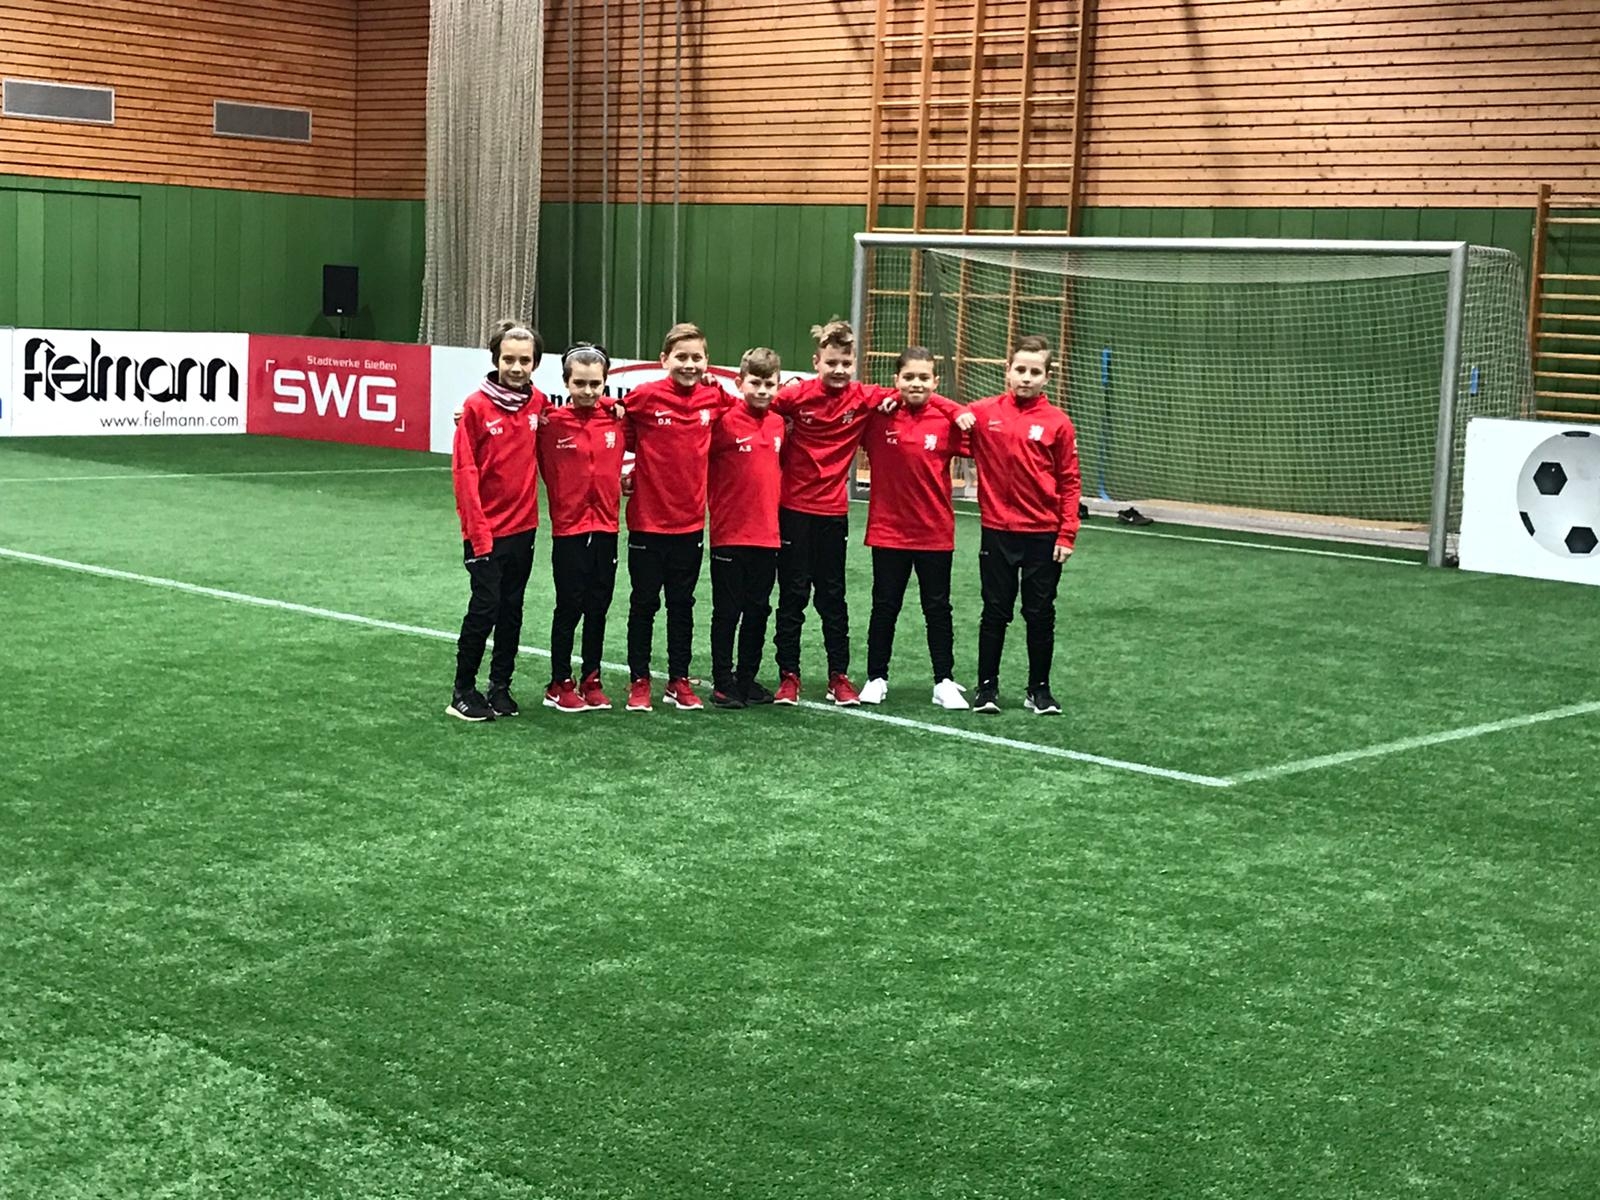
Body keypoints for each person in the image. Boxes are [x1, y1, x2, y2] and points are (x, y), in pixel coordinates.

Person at [768, 319, 896, 707]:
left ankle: (838, 675)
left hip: (833, 514)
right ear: (816, 362)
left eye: (845, 363)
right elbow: (754, 403)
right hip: (793, 511)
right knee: (793, 595)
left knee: (833, 598)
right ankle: (789, 676)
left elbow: (910, 391)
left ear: (855, 363)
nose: (839, 370)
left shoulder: (864, 397)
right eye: (831, 363)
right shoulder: (794, 397)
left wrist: (894, 399)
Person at [961, 335, 1081, 716]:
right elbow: (943, 414)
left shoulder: (1058, 423)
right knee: (995, 611)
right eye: (1020, 370)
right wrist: (952, 413)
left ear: (1047, 377)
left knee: (1040, 613)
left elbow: (1069, 481)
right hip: (997, 531)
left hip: (1043, 535)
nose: (1026, 378)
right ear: (1007, 371)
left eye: (1035, 372)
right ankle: (986, 688)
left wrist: (1067, 533)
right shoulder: (984, 413)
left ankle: (1039, 690)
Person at [619, 322, 727, 712]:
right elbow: (614, 423)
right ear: (664, 359)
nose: (689, 364)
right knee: (643, 604)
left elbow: (751, 411)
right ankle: (639, 680)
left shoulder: (714, 398)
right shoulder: (644, 397)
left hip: (690, 524)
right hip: (647, 523)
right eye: (681, 357)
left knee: (682, 604)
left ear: (707, 361)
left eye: (697, 357)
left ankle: (678, 679)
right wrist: (631, 473)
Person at [859, 348, 969, 710]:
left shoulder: (947, 421)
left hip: (934, 533)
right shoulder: (878, 418)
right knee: (884, 606)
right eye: (908, 377)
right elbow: (852, 402)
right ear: (896, 380)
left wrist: (951, 407)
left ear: (935, 382)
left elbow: (986, 436)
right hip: (888, 532)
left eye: (924, 378)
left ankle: (943, 681)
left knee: (937, 609)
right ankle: (876, 678)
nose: (916, 384)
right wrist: (889, 398)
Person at [447, 320, 546, 721]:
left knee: (511, 610)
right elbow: (464, 473)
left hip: (524, 529)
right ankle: (462, 690)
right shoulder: (474, 407)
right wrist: (477, 532)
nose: (516, 367)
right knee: (484, 608)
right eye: (509, 359)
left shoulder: (538, 403)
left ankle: (500, 686)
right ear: (495, 360)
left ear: (535, 363)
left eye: (525, 360)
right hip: (486, 532)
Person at [536, 342, 625, 713]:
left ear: (605, 383)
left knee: (598, 607)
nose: (588, 391)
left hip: (606, 528)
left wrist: (612, 404)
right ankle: (559, 681)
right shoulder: (549, 423)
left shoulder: (617, 419)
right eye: (580, 383)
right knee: (569, 607)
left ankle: (592, 677)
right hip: (569, 532)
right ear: (566, 383)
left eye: (595, 384)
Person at [706, 348, 787, 709]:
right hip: (730, 534)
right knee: (727, 611)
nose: (762, 390)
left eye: (769, 384)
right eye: (755, 383)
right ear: (739, 383)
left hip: (767, 536)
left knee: (758, 610)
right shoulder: (722, 421)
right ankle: (723, 682)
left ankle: (746, 678)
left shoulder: (779, 423)